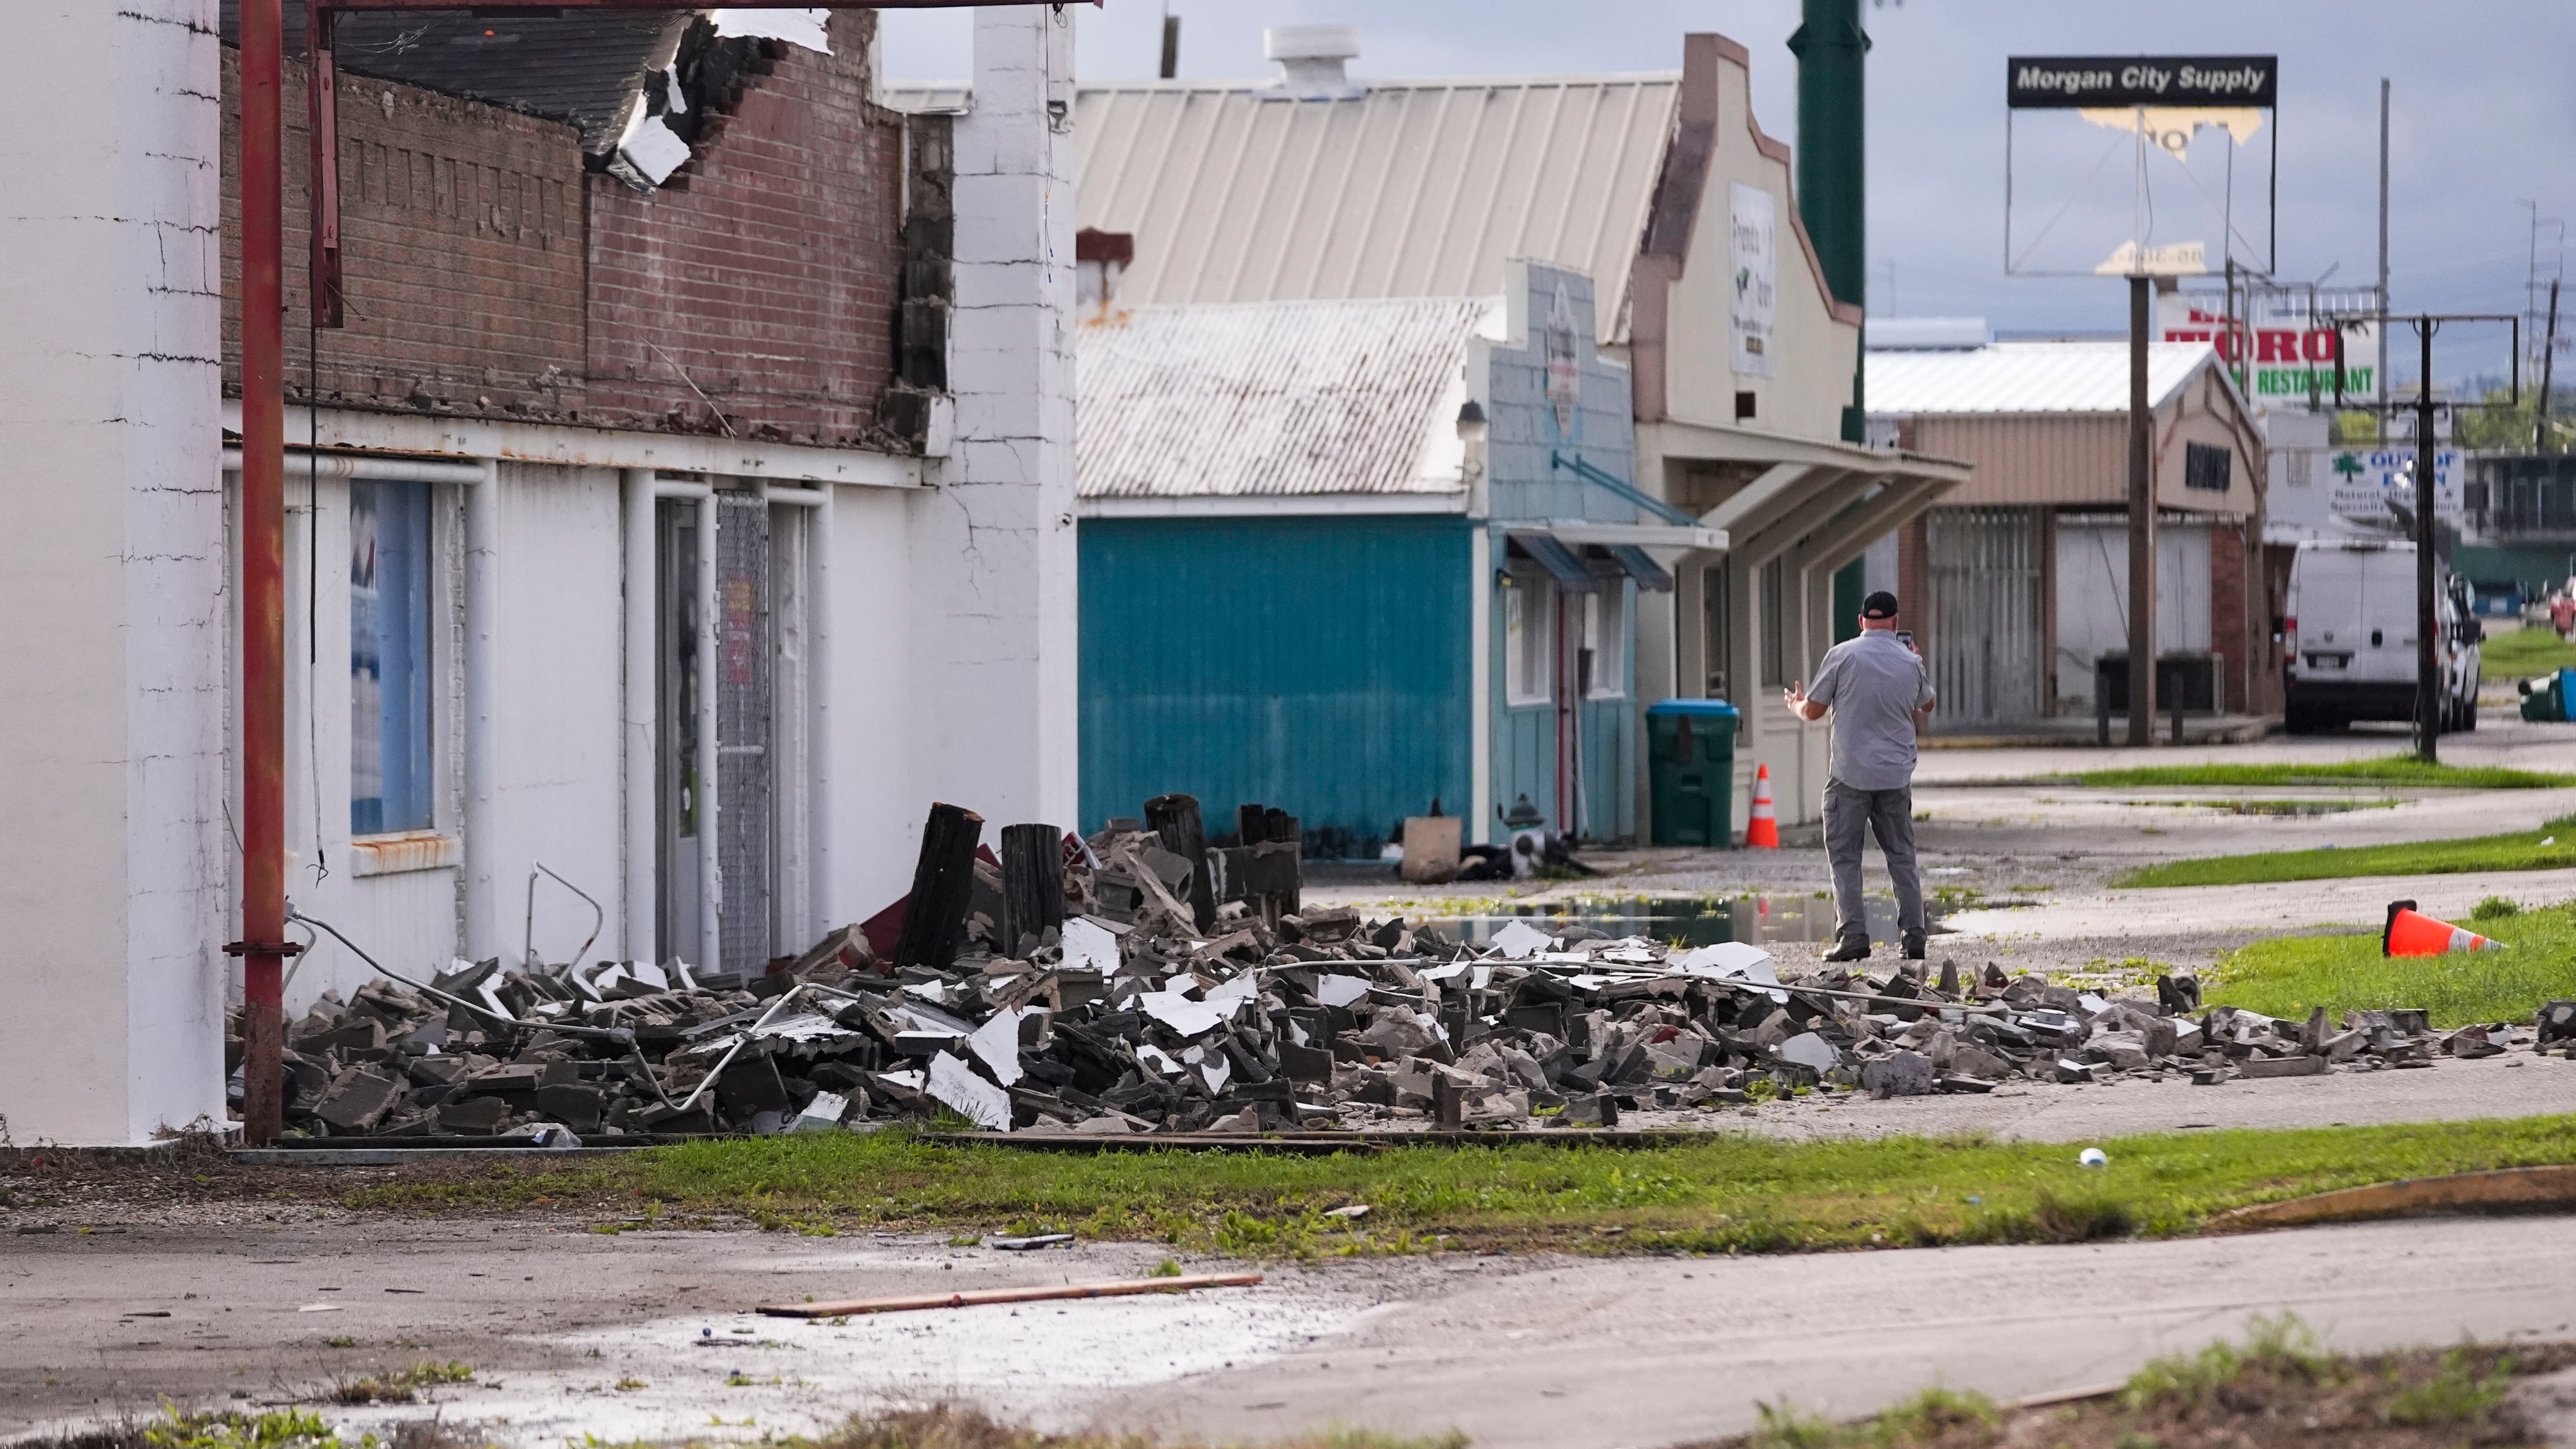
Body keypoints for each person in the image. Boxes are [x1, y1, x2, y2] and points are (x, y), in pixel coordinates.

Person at [1782, 590, 1936, 962]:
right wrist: (1915, 660)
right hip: (1895, 777)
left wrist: (1796, 705)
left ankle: (1852, 936)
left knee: (1845, 856)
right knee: (1901, 856)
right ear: (1896, 624)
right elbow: (1927, 704)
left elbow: (1814, 711)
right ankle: (1914, 936)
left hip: (1849, 775)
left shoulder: (1842, 655)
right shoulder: (1910, 661)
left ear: (1860, 621)